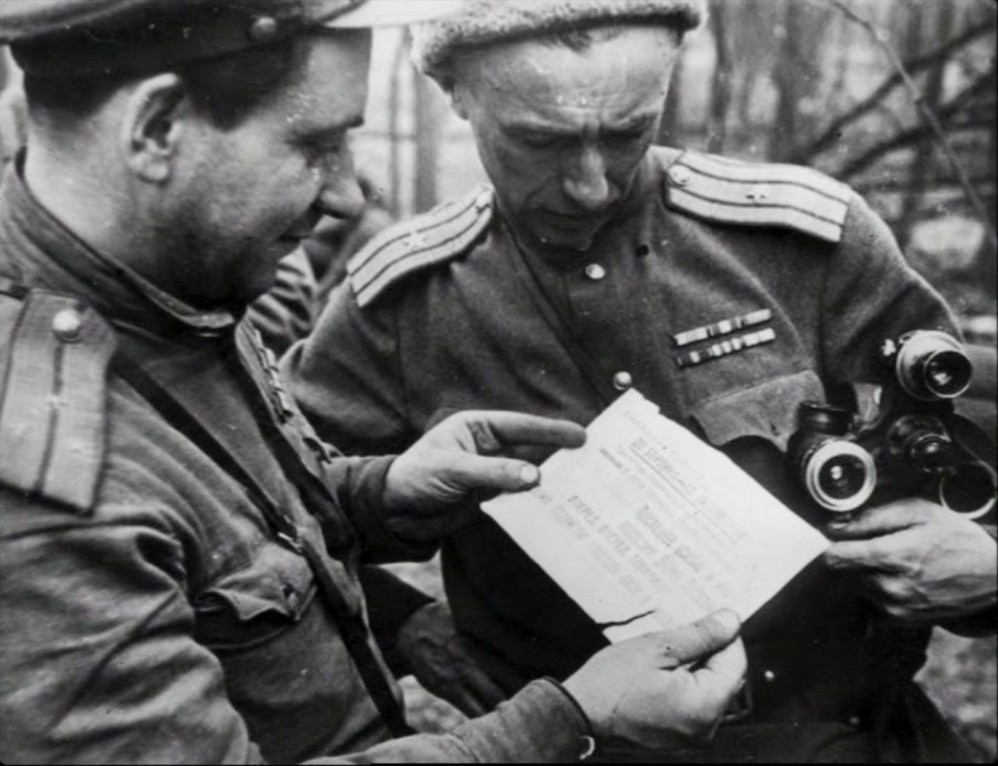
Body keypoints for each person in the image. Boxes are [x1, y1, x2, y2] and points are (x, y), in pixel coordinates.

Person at [0, 0, 751, 763]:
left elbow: (218, 523)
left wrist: (377, 496)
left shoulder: (166, 285)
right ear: (157, 129)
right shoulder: (39, 483)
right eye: (316, 144)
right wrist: (569, 721)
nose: (348, 196)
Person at [283, 0, 998, 762]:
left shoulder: (805, 243)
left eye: (628, 132)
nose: (590, 186)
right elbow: (268, 510)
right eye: (540, 141)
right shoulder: (401, 304)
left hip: (862, 737)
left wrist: (988, 569)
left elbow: (966, 447)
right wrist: (404, 624)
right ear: (454, 91)